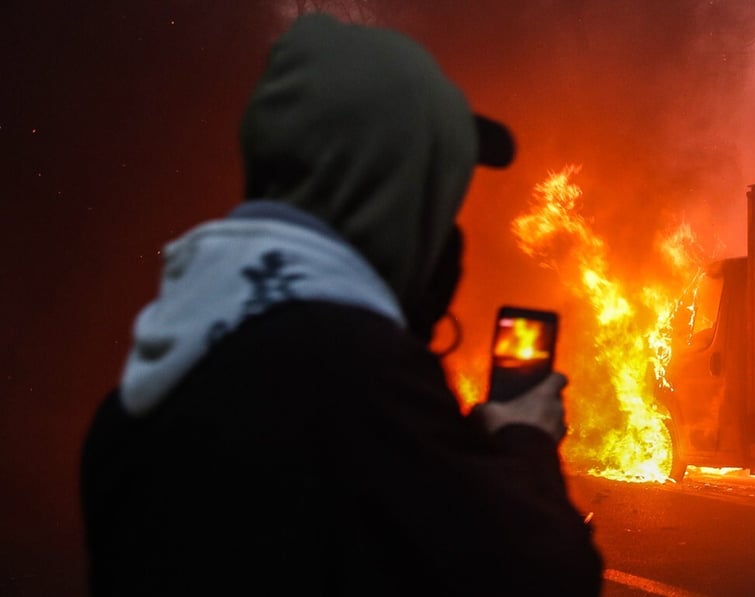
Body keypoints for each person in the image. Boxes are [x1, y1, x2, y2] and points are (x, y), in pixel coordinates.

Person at [80, 12, 604, 597]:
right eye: (434, 203)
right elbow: (546, 573)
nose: (445, 241)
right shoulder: (347, 370)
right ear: (387, 199)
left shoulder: (163, 365)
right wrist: (523, 440)